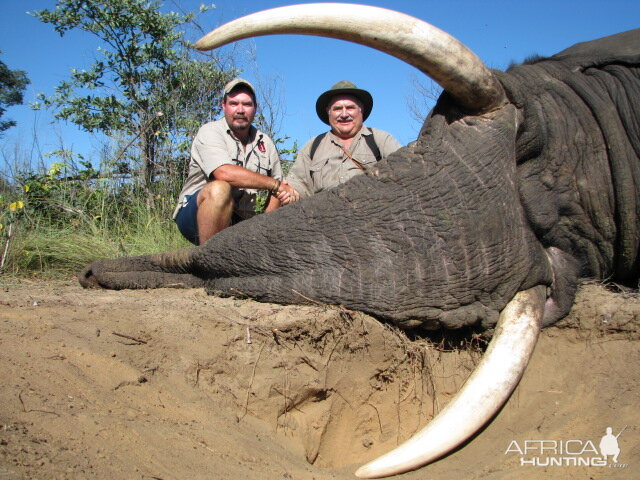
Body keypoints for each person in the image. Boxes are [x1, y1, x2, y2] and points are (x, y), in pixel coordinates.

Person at [173, 78, 295, 244]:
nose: (240, 110)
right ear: (223, 106)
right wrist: (275, 184)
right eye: (233, 103)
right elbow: (224, 173)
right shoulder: (210, 131)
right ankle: (209, 260)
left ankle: (258, 242)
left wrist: (263, 228)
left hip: (240, 220)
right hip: (194, 213)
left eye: (246, 104)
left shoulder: (265, 142)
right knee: (219, 189)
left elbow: (280, 189)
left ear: (255, 108)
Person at [281, 80, 401, 202]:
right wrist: (290, 192)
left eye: (350, 107)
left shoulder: (380, 139)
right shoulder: (313, 146)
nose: (344, 114)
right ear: (328, 111)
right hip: (325, 217)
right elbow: (298, 185)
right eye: (337, 109)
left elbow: (403, 173)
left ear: (361, 109)